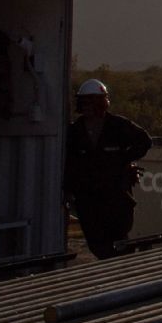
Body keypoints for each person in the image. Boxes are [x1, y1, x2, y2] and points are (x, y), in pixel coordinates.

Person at [63, 79, 150, 260]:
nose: (87, 106)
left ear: (101, 102)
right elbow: (70, 163)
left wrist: (122, 160)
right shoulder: (75, 131)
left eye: (91, 102)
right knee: (98, 244)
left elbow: (144, 141)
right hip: (89, 200)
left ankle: (121, 270)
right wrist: (69, 190)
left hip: (116, 198)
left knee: (119, 243)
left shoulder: (118, 126)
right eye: (84, 102)